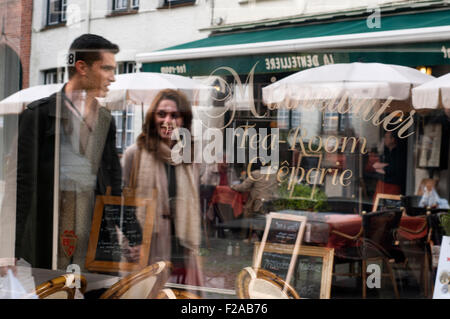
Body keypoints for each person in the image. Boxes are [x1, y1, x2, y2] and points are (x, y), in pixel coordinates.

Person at [14, 34, 141, 271]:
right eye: (106, 69)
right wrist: (8, 249)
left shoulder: (105, 120)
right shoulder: (38, 115)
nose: (113, 78)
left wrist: (134, 236)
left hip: (97, 244)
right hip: (50, 243)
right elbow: (20, 186)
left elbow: (113, 182)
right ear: (81, 67)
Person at [122, 89, 203, 286]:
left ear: (184, 120)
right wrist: (131, 242)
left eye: (174, 115)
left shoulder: (189, 157)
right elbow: (122, 204)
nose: (167, 120)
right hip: (147, 247)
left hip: (181, 247)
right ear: (152, 118)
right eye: (161, 114)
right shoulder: (135, 154)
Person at [372, 130, 407, 199]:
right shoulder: (387, 152)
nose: (384, 140)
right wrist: (384, 167)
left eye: (386, 137)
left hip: (393, 185)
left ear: (393, 139)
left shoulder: (399, 153)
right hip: (383, 183)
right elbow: (375, 166)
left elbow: (392, 169)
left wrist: (382, 167)